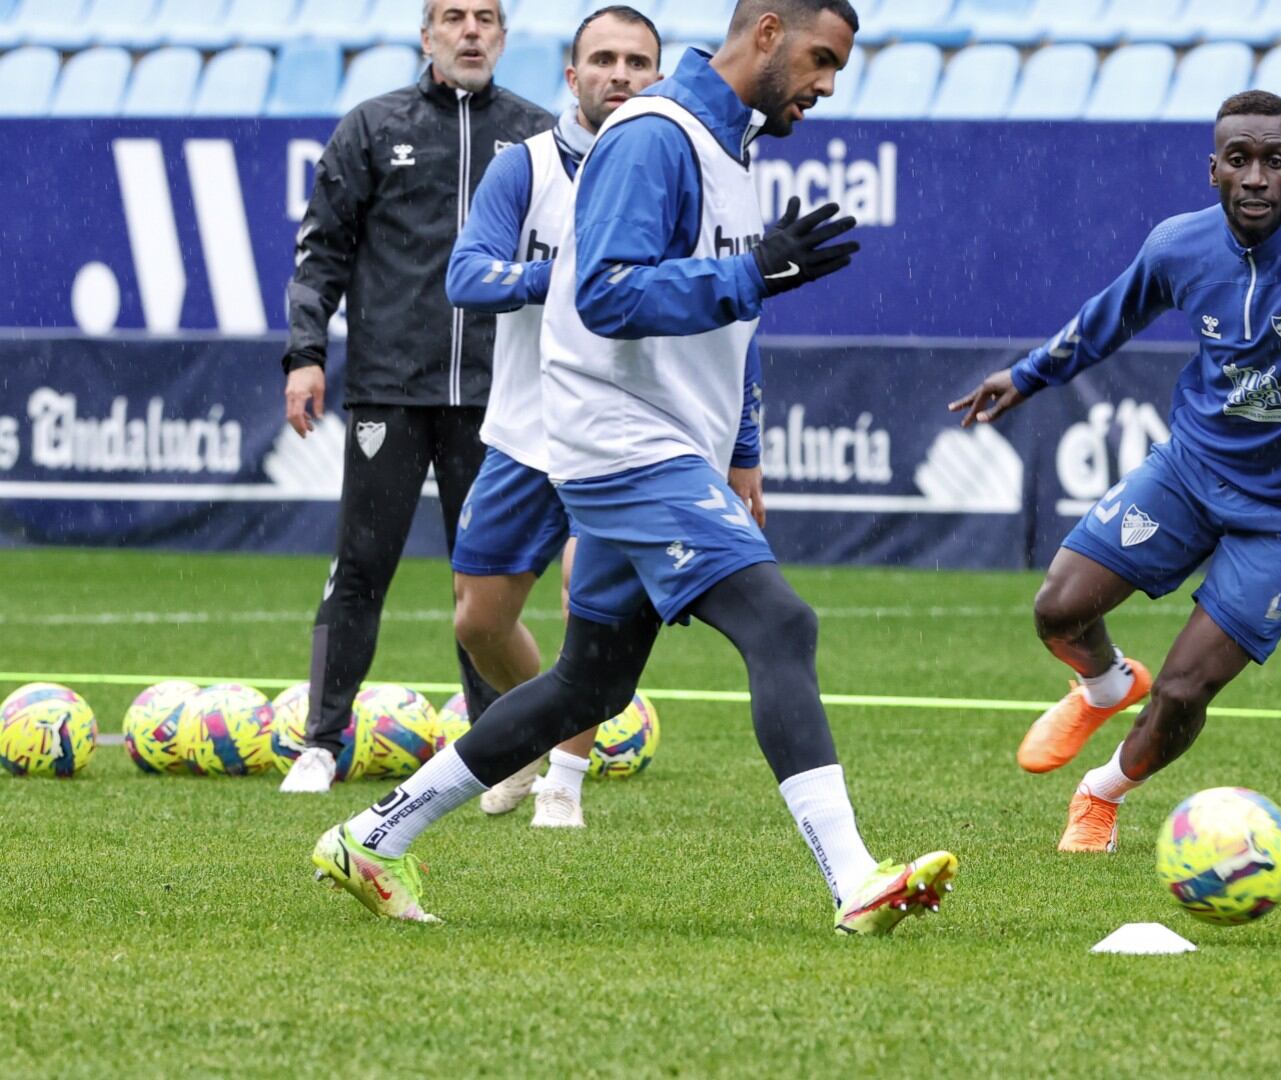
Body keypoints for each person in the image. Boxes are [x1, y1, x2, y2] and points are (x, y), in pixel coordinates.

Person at [312, 0, 957, 936]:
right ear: (766, 33)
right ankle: (855, 877)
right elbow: (604, 293)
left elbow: (738, 325)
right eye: (821, 59)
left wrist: (740, 448)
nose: (826, 85)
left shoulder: (728, 147)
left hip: (668, 442)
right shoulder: (656, 135)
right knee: (782, 625)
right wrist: (755, 273)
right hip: (619, 440)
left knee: (589, 686)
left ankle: (371, 837)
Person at [948, 90, 1281, 853]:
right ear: (1214, 170)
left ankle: (1101, 795)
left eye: (1275, 161)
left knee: (1183, 690)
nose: (1258, 177)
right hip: (1193, 471)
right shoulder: (1179, 246)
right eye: (1240, 159)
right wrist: (1027, 375)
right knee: (1058, 610)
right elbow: (1110, 316)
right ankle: (1105, 685)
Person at [443, 5, 768, 829]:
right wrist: (569, 279)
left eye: (636, 62)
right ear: (572, 73)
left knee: (580, 608)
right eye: (603, 60)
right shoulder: (525, 167)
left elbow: (732, 314)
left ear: (657, 75)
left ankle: (564, 781)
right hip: (527, 427)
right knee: (480, 618)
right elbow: (466, 275)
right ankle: (533, 732)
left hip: (628, 433)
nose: (619, 75)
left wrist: (744, 450)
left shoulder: (679, 160)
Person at [278, 0, 555, 794]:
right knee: (361, 566)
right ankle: (321, 744)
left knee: (485, 581)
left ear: (504, 37)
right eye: (453, 16)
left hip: (498, 396)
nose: (471, 31)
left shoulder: (537, 137)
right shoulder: (371, 126)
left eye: (486, 18)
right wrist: (305, 355)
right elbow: (320, 250)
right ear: (425, 34)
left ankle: (494, 750)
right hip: (389, 390)